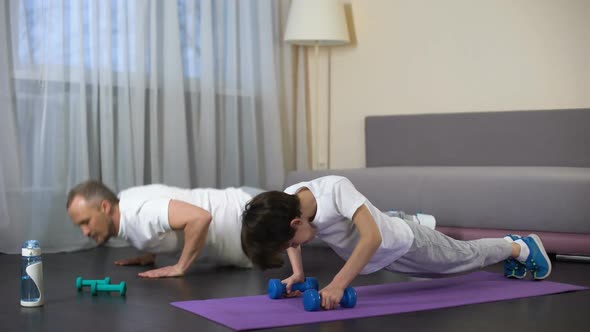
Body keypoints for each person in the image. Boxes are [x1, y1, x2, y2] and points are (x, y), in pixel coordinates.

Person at [241, 175, 552, 310]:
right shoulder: (290, 200)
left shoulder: (334, 190)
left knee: (464, 259)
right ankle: (405, 217)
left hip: (407, 243)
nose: (291, 247)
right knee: (438, 274)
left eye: (287, 243)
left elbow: (372, 237)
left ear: (297, 222)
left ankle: (520, 246)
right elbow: (294, 241)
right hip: (386, 256)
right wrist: (296, 274)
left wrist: (337, 284)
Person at [67, 180, 263, 278]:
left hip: (257, 216)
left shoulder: (139, 213)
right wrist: (151, 252)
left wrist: (180, 267)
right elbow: (158, 225)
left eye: (86, 222)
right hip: (250, 242)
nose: (85, 232)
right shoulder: (124, 206)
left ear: (104, 207)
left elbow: (200, 218)